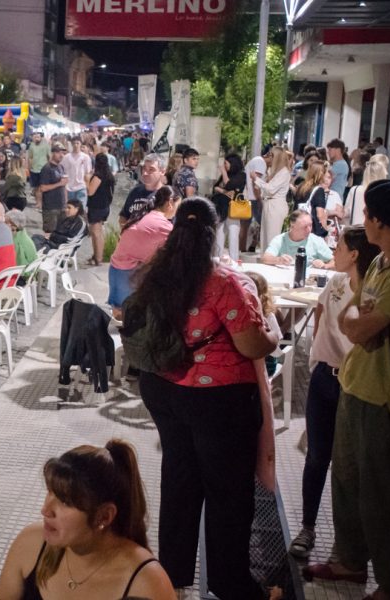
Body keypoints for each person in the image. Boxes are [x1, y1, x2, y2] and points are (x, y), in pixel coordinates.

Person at [124, 197, 279, 599]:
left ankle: (170, 577)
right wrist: (273, 333)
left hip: (163, 390)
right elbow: (252, 345)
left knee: (180, 478)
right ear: (214, 232)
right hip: (217, 401)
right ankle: (231, 584)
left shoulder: (156, 273)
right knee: (228, 492)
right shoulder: (223, 282)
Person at [304, 180, 390, 600]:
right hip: (356, 384)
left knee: (384, 495)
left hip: (387, 397)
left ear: (381, 221)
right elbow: (352, 314)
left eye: (366, 214)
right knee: (347, 481)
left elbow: (360, 327)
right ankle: (349, 560)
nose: (362, 221)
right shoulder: (382, 260)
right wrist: (356, 320)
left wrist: (356, 321)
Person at [289, 227, 380, 559]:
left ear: (354, 254)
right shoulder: (336, 283)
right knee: (317, 456)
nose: (333, 253)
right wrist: (318, 356)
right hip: (324, 379)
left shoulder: (375, 294)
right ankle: (307, 527)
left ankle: (349, 542)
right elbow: (320, 311)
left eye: (338, 247)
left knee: (350, 463)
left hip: (356, 385)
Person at [0, 439, 178, 600]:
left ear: (104, 516)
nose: (45, 510)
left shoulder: (147, 584)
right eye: (50, 492)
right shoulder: (32, 543)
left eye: (65, 501)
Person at [108, 186, 179, 311]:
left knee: (119, 313)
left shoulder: (143, 215)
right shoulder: (162, 224)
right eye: (178, 206)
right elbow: (181, 244)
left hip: (116, 270)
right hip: (128, 274)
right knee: (130, 314)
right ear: (170, 203)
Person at [261, 210, 334, 268]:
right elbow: (265, 258)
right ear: (292, 225)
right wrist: (279, 260)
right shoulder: (280, 240)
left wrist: (324, 266)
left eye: (310, 225)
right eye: (305, 227)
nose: (309, 230)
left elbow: (335, 261)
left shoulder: (316, 241)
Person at [254, 148, 293, 249]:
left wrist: (256, 179)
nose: (269, 158)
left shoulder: (284, 172)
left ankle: (272, 257)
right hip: (268, 204)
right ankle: (266, 257)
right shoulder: (274, 172)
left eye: (271, 155)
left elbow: (271, 189)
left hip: (276, 206)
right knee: (264, 238)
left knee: (272, 238)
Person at [213, 154, 248, 260]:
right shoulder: (226, 174)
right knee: (219, 234)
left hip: (233, 208)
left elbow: (229, 185)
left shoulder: (241, 175)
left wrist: (223, 172)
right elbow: (216, 187)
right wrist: (224, 191)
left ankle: (234, 259)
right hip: (221, 207)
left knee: (233, 234)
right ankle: (218, 258)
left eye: (226, 163)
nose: (224, 166)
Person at [86, 154, 114, 266]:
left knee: (96, 233)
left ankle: (98, 258)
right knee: (99, 232)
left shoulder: (98, 176)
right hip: (105, 206)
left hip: (96, 207)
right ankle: (98, 256)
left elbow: (90, 192)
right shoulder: (109, 175)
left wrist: (86, 180)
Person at [343, 158, 388, 227]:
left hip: (356, 229)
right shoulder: (384, 193)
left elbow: (347, 212)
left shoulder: (355, 190)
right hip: (375, 231)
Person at [38, 145, 69, 233]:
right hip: (51, 208)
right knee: (49, 233)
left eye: (62, 153)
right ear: (52, 153)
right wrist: (59, 183)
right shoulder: (47, 168)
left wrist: (66, 202)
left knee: (61, 233)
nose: (61, 155)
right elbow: (43, 188)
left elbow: (64, 186)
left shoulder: (61, 167)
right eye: (58, 152)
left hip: (62, 206)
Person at [60, 141, 91, 210]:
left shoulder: (86, 157)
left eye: (77, 143)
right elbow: (62, 170)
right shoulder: (66, 157)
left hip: (81, 186)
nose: (76, 145)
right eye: (74, 143)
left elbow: (87, 173)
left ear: (80, 144)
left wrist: (88, 186)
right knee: (70, 208)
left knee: (81, 208)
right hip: (69, 187)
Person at [28, 131, 50, 205]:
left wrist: (49, 167)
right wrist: (29, 167)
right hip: (34, 169)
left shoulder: (46, 146)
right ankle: (38, 203)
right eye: (35, 137)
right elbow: (30, 157)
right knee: (36, 187)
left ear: (41, 138)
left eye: (38, 137)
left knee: (42, 187)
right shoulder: (32, 146)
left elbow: (49, 156)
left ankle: (43, 202)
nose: (36, 138)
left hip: (43, 169)